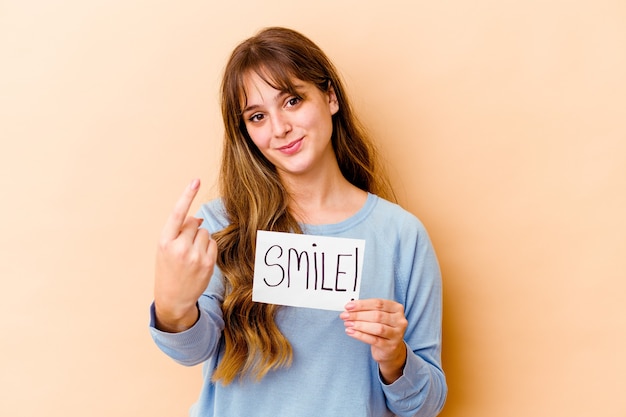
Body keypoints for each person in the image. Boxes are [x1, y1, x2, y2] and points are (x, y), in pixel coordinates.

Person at [150, 27, 447, 417]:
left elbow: (425, 406)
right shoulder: (222, 223)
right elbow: (193, 350)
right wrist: (172, 304)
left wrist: (395, 357)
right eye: (257, 116)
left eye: (292, 100)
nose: (279, 128)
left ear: (330, 97)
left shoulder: (401, 236)